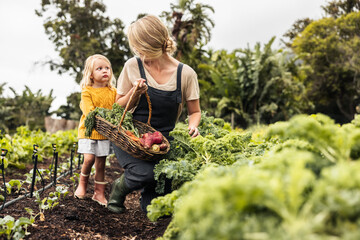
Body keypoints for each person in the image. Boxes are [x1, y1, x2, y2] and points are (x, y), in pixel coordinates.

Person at [107, 15, 201, 214]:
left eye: (138, 46)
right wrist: (134, 92)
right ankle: (119, 188)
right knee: (145, 174)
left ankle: (147, 193)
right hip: (130, 137)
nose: (136, 51)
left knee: (154, 208)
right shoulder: (132, 66)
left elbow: (195, 112)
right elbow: (117, 107)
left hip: (163, 143)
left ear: (150, 45)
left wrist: (193, 126)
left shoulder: (185, 74)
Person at [74, 54, 117, 206]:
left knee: (101, 163)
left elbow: (117, 108)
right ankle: (82, 184)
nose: (105, 71)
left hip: (104, 133)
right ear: (91, 74)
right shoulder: (87, 91)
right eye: (99, 69)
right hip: (88, 131)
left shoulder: (113, 92)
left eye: (107, 68)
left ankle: (99, 193)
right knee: (89, 159)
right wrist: (106, 118)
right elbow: (89, 111)